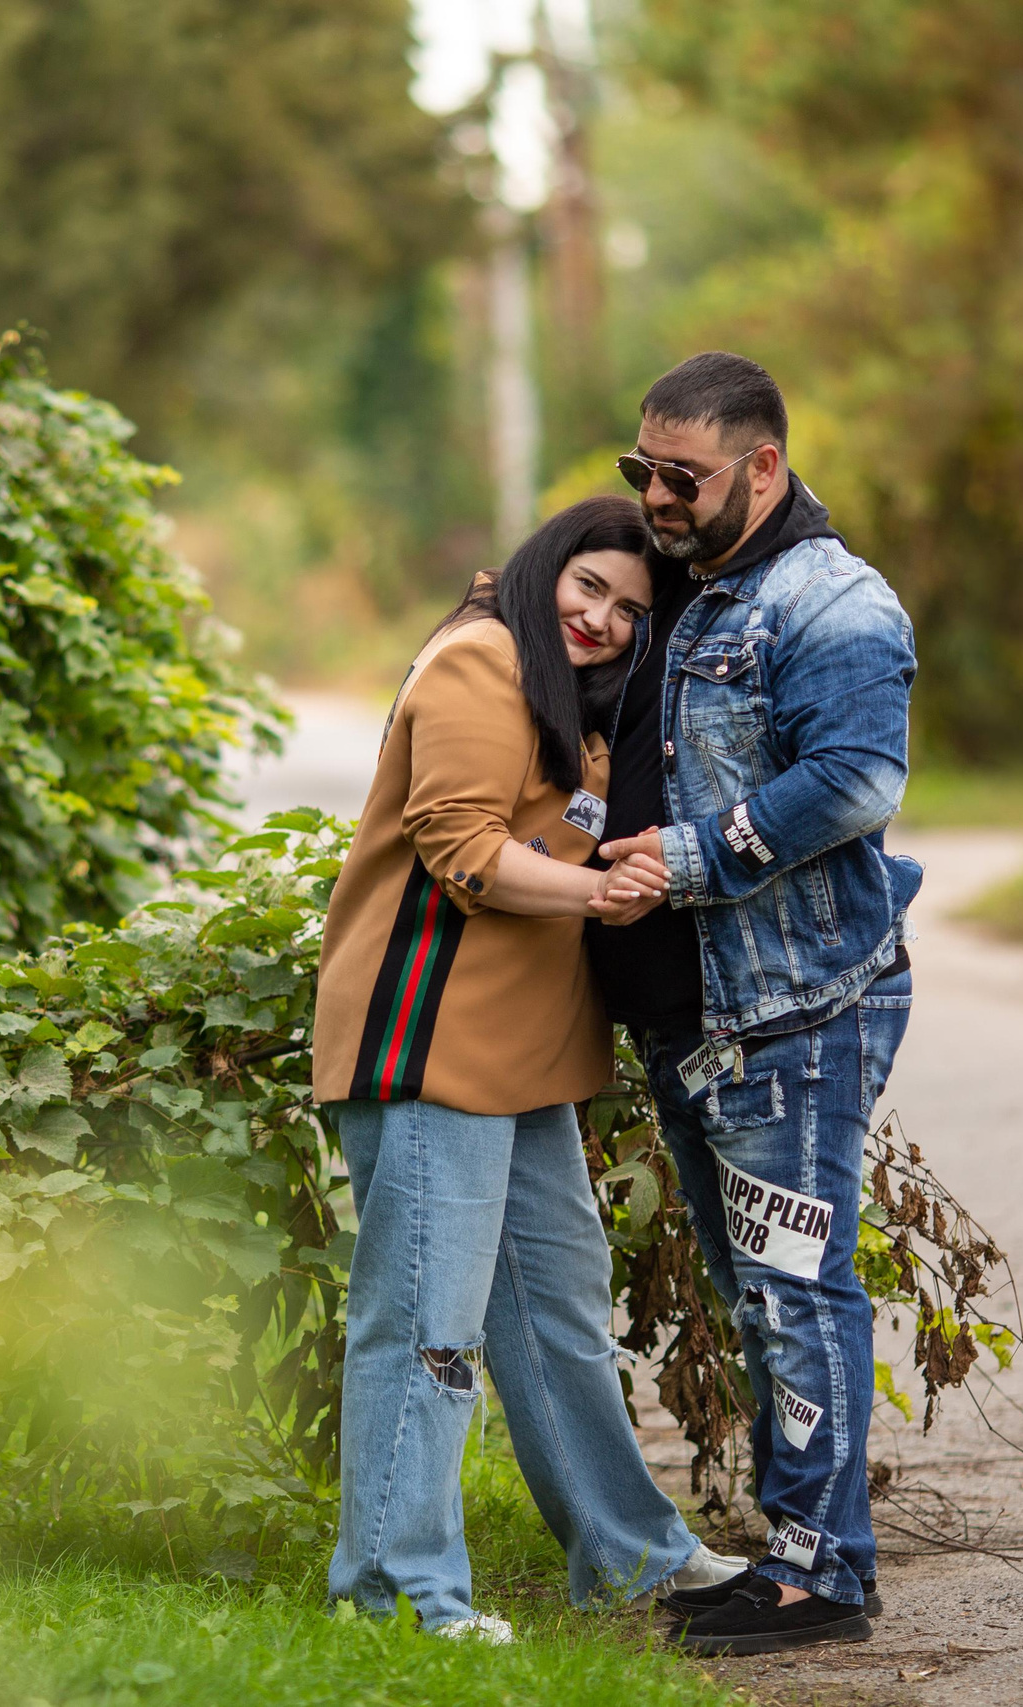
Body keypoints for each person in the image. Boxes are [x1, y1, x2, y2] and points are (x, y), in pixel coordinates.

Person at [312, 495, 741, 1642]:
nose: (600, 618)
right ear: (545, 564)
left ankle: (629, 1555)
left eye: (627, 609)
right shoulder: (479, 660)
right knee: (424, 1326)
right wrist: (601, 888)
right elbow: (460, 850)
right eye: (587, 586)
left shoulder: (572, 698)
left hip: (524, 1062)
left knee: (557, 1316)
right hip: (429, 1040)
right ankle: (397, 1595)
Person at [588, 353, 921, 1657]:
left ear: (763, 467)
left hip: (792, 1005)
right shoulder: (693, 584)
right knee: (752, 1283)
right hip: (696, 1012)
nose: (657, 497)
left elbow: (852, 779)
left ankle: (824, 1573)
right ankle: (794, 1549)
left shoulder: (832, 601)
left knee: (795, 1283)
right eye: (642, 471)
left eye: (683, 475)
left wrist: (685, 855)